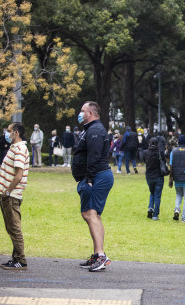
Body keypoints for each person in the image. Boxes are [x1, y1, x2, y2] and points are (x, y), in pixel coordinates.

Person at [72, 101, 114, 272]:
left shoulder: (95, 130)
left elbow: (94, 156)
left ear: (90, 113)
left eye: (82, 111)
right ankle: (97, 255)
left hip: (97, 177)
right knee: (93, 215)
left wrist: (89, 179)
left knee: (90, 214)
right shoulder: (90, 129)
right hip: (95, 177)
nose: (80, 113)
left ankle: (101, 255)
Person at [0, 123, 30, 270]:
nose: (6, 133)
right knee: (10, 227)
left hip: (11, 196)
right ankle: (15, 258)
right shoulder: (14, 147)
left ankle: (21, 261)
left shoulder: (20, 149)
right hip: (8, 195)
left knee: (14, 228)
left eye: (8, 131)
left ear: (16, 133)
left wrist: (8, 192)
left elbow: (19, 175)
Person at [169, 135, 185, 222]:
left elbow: (171, 166)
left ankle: (177, 209)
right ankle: (184, 218)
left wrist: (170, 178)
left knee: (178, 194)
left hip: (177, 177)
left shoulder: (173, 152)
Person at [144, 137, 165, 221]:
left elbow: (144, 160)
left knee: (152, 192)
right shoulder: (160, 153)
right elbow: (164, 162)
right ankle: (155, 214)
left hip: (149, 176)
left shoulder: (146, 152)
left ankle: (150, 207)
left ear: (149, 143)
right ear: (157, 144)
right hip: (159, 176)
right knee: (158, 195)